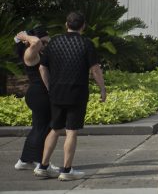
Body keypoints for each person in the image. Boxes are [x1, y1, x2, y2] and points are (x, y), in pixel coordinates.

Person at [36, 11, 106, 181]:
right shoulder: (86, 44)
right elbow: (95, 69)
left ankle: (43, 166)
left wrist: (49, 86)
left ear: (66, 24)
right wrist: (102, 89)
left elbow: (42, 68)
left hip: (57, 92)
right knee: (71, 131)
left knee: (55, 128)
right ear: (83, 26)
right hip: (77, 92)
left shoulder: (54, 43)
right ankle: (67, 171)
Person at [13, 26, 53, 173]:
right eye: (44, 42)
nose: (45, 45)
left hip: (40, 95)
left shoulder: (40, 51)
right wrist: (24, 36)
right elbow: (35, 42)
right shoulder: (30, 52)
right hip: (39, 95)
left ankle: (24, 160)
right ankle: (40, 162)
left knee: (39, 128)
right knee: (44, 129)